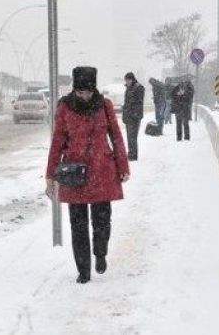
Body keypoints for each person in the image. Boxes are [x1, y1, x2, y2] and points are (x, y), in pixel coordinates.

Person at [45, 66, 130, 284]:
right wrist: (50, 175)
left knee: (102, 221)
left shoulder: (104, 106)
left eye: (88, 92)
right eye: (80, 92)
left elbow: (117, 137)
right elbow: (57, 141)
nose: (84, 96)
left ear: (94, 89)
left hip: (102, 171)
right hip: (75, 175)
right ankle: (83, 270)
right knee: (78, 226)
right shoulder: (64, 107)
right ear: (74, 89)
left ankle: (100, 253)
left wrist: (123, 167)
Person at [122, 72, 145, 161]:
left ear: (132, 79)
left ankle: (133, 155)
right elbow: (126, 102)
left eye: (127, 80)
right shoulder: (128, 88)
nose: (126, 82)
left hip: (135, 116)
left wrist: (134, 114)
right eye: (126, 80)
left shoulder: (139, 88)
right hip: (128, 115)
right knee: (129, 136)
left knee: (133, 136)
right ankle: (131, 153)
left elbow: (139, 103)